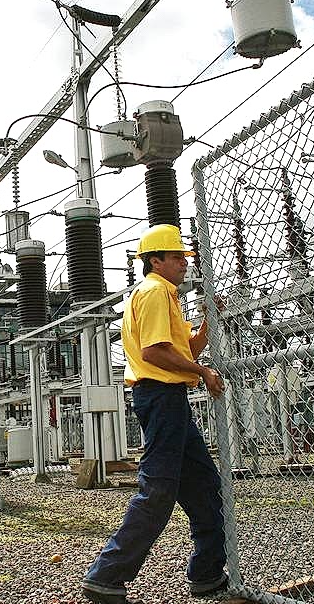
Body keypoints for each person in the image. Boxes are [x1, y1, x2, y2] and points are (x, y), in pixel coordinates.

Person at [81, 224, 228, 604]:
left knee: (204, 486)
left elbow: (185, 350)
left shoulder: (166, 296)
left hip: (169, 398)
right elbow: (155, 353)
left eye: (184, 256)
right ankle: (106, 576)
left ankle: (207, 574)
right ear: (156, 260)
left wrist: (209, 320)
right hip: (160, 397)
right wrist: (204, 373)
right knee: (159, 490)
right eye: (177, 256)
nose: (184, 262)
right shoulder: (154, 292)